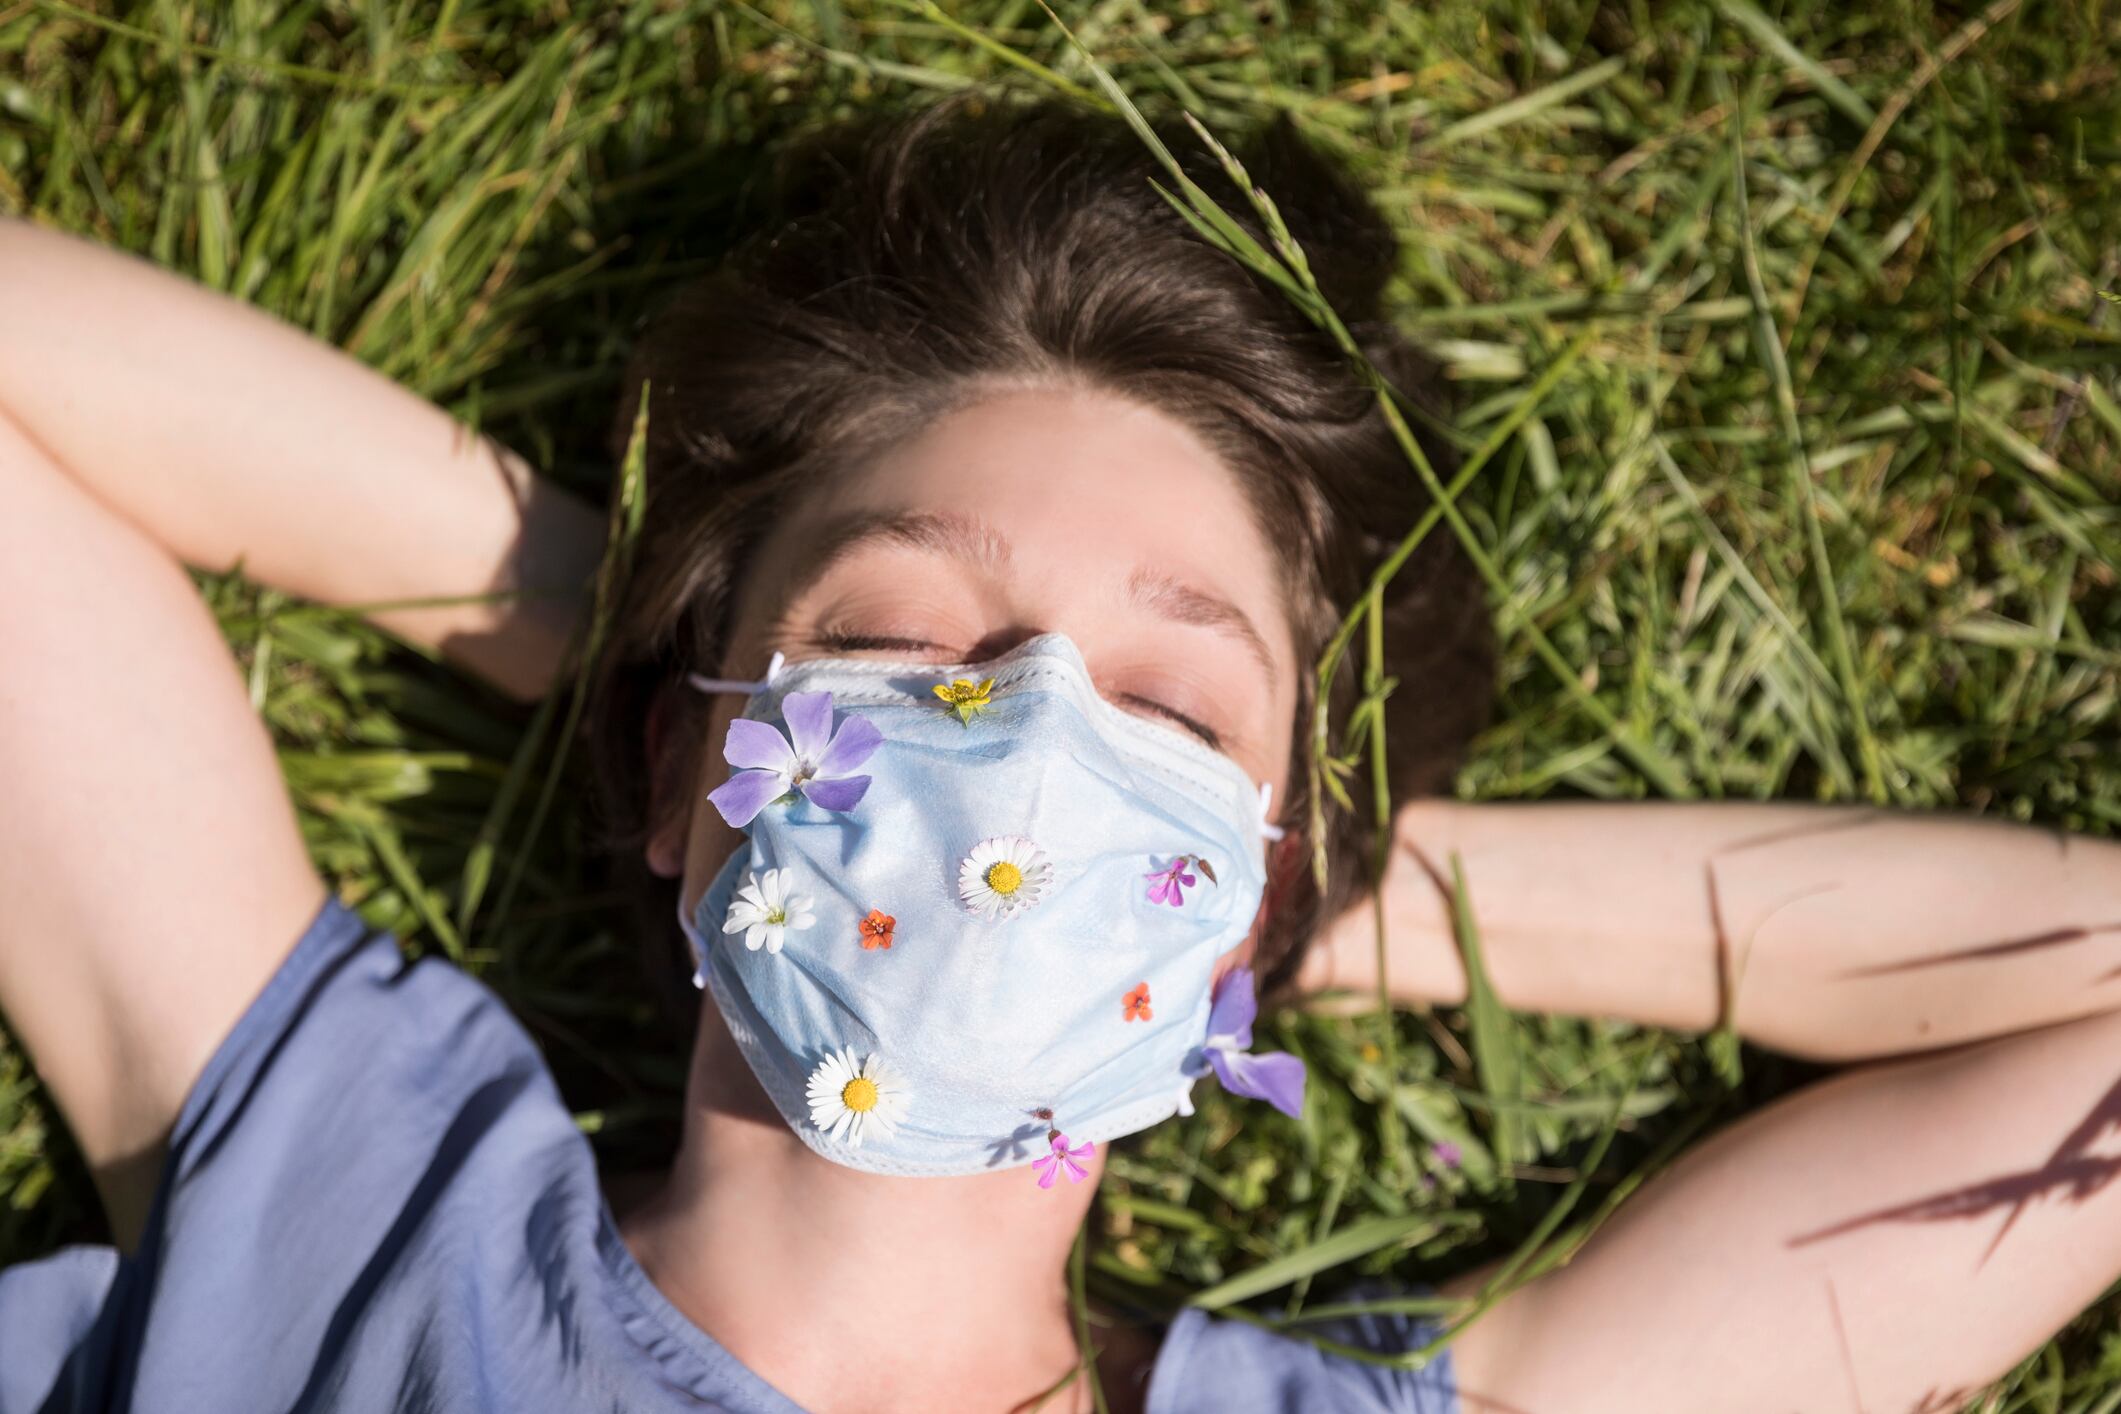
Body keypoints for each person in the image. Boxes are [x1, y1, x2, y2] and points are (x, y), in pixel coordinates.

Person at [0, 90, 2115, 1414]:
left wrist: (1295, 905)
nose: (1022, 744)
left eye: (1171, 716)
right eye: (902, 637)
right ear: (685, 768)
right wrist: (639, 620)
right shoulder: (354, 1189)